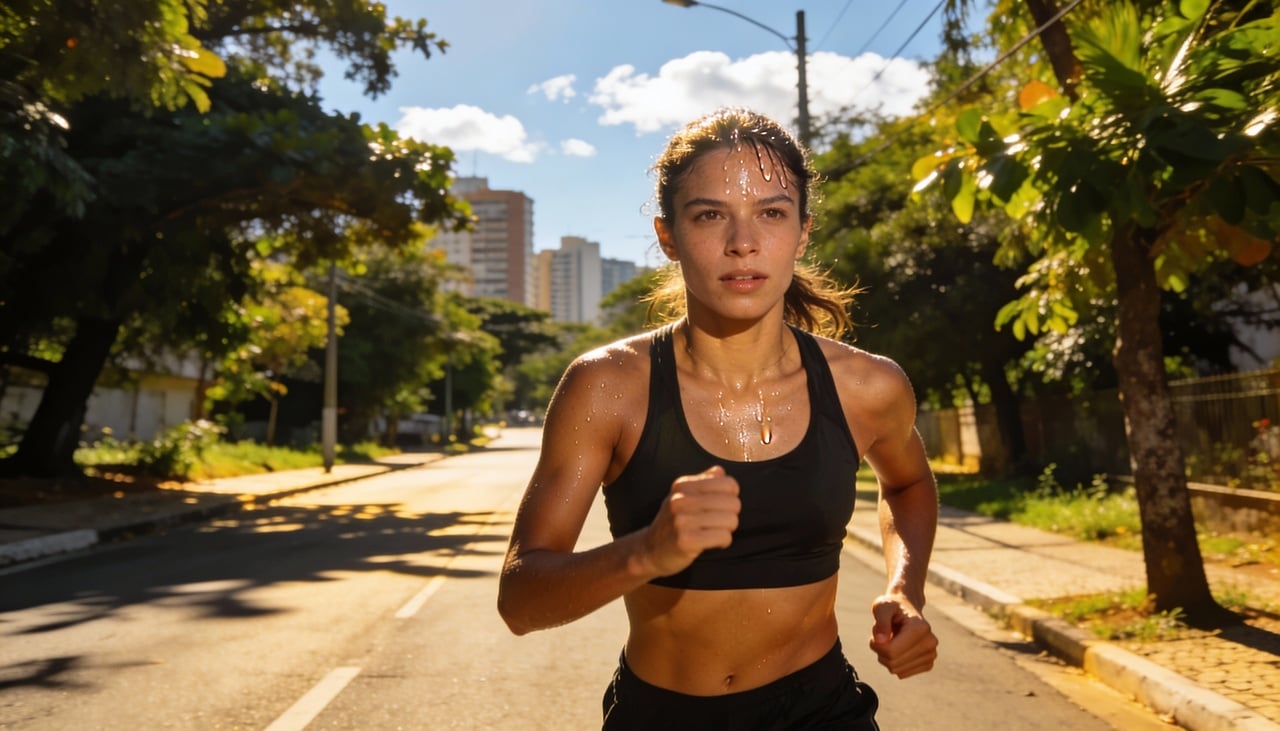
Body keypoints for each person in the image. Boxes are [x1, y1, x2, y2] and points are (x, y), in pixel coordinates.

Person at [497, 107, 939, 729]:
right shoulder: (608, 387)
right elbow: (521, 600)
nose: (743, 243)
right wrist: (645, 553)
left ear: (803, 231)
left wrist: (904, 588)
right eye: (710, 215)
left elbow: (909, 483)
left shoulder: (868, 386)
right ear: (668, 234)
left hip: (822, 712)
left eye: (772, 213)